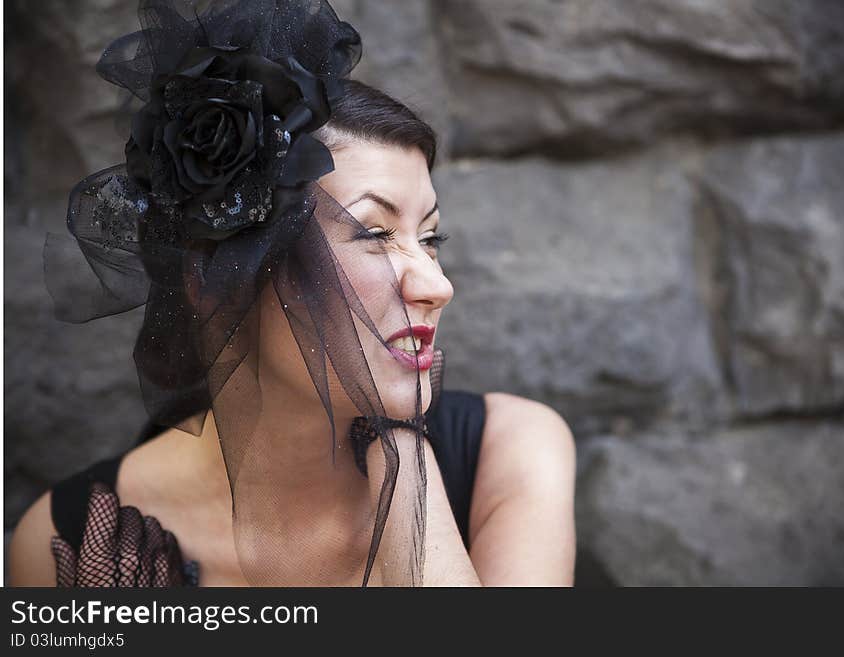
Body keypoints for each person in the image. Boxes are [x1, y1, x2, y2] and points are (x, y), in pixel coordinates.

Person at [9, 0, 575, 587]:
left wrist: (406, 464)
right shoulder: (70, 542)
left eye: (431, 238)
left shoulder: (512, 452)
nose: (438, 286)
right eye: (375, 234)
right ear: (214, 276)